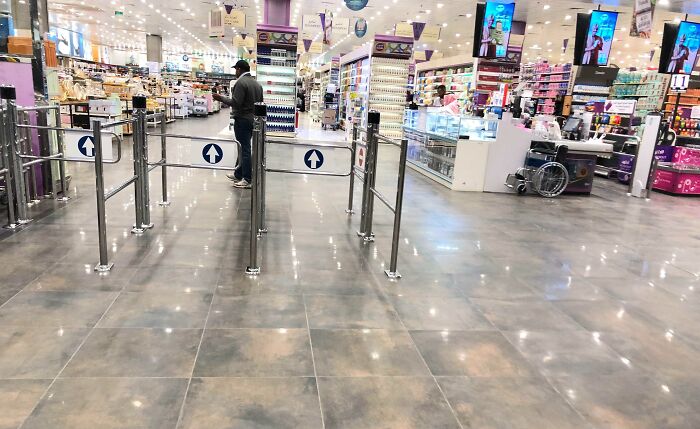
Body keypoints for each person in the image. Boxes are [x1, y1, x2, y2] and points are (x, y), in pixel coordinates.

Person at [212, 60, 263, 189]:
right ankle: (238, 173)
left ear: (239, 69)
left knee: (244, 148)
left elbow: (236, 103)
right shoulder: (257, 84)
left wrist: (220, 98)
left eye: (236, 69)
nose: (235, 72)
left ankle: (247, 178)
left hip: (243, 119)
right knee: (243, 147)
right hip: (253, 119)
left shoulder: (240, 83)